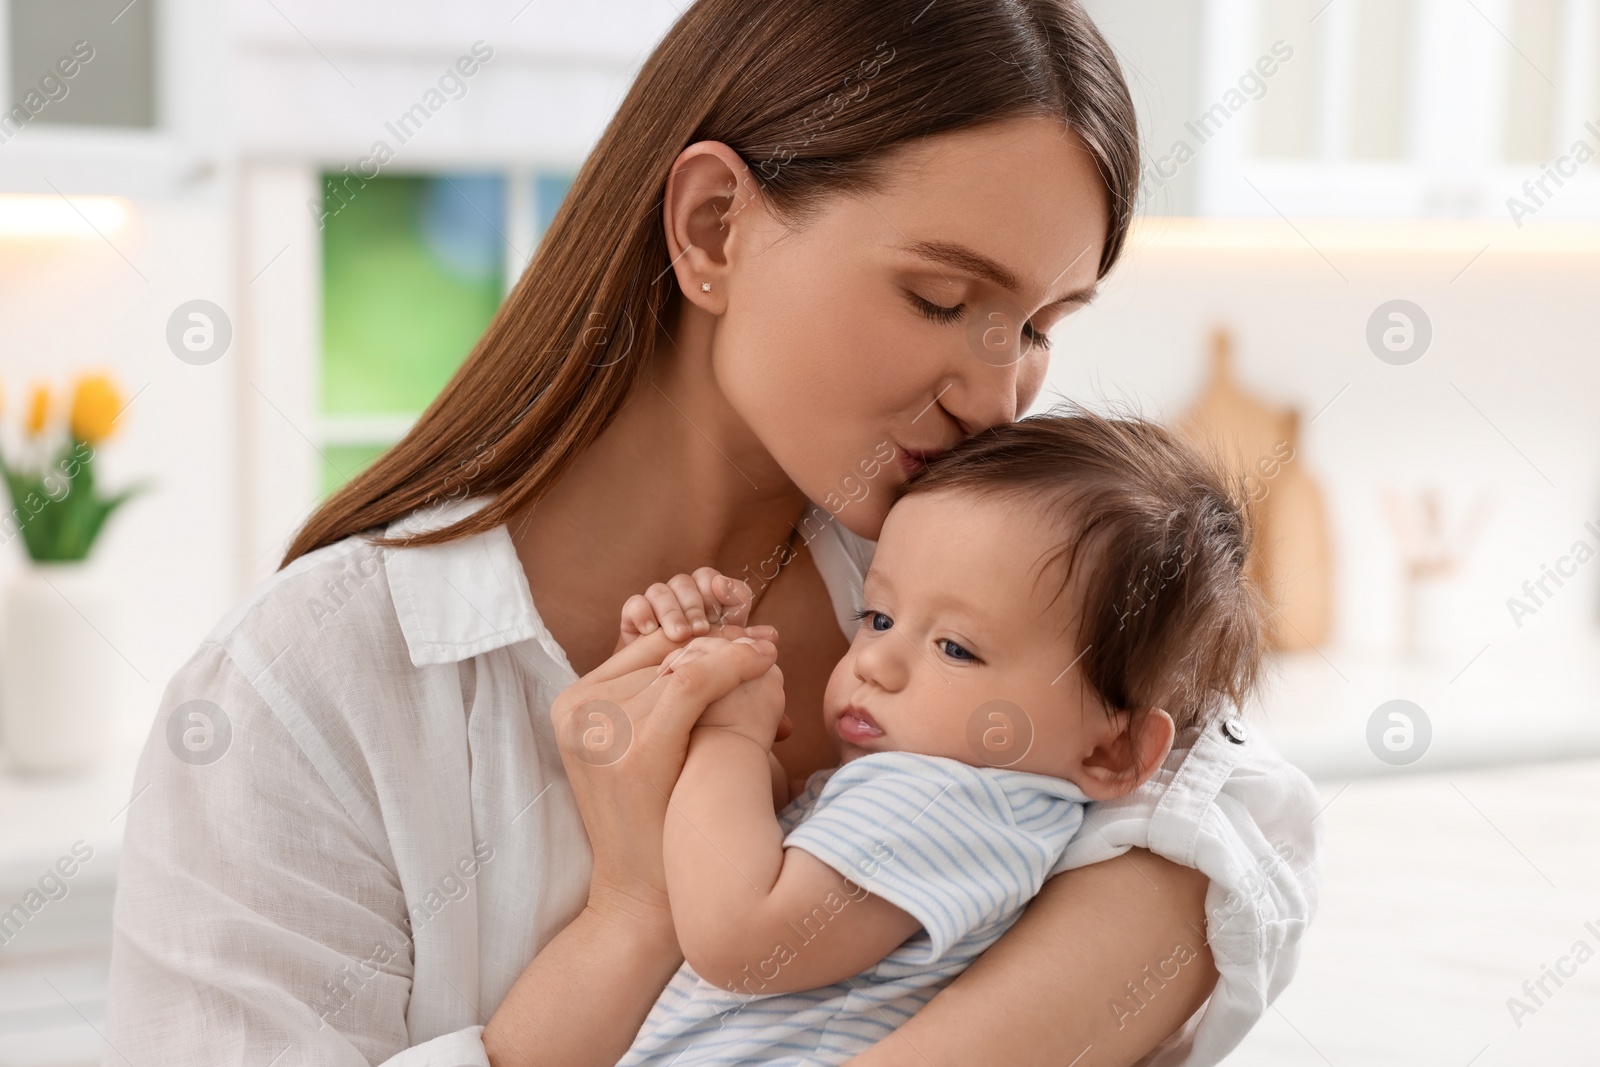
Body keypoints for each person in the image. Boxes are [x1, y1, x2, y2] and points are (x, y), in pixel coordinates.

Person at [105, 1, 1322, 1064]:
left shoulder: (978, 580)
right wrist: (633, 912)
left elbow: (1226, 833)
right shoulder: (306, 690)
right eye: (941, 300)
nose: (998, 395)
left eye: (1042, 323)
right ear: (710, 228)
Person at [616, 411, 1269, 1065]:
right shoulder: (953, 800)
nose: (876, 662)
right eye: (878, 616)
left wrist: (726, 730)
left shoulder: (945, 800)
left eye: (954, 647)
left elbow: (742, 939)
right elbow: (762, 847)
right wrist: (682, 682)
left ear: (1111, 750)